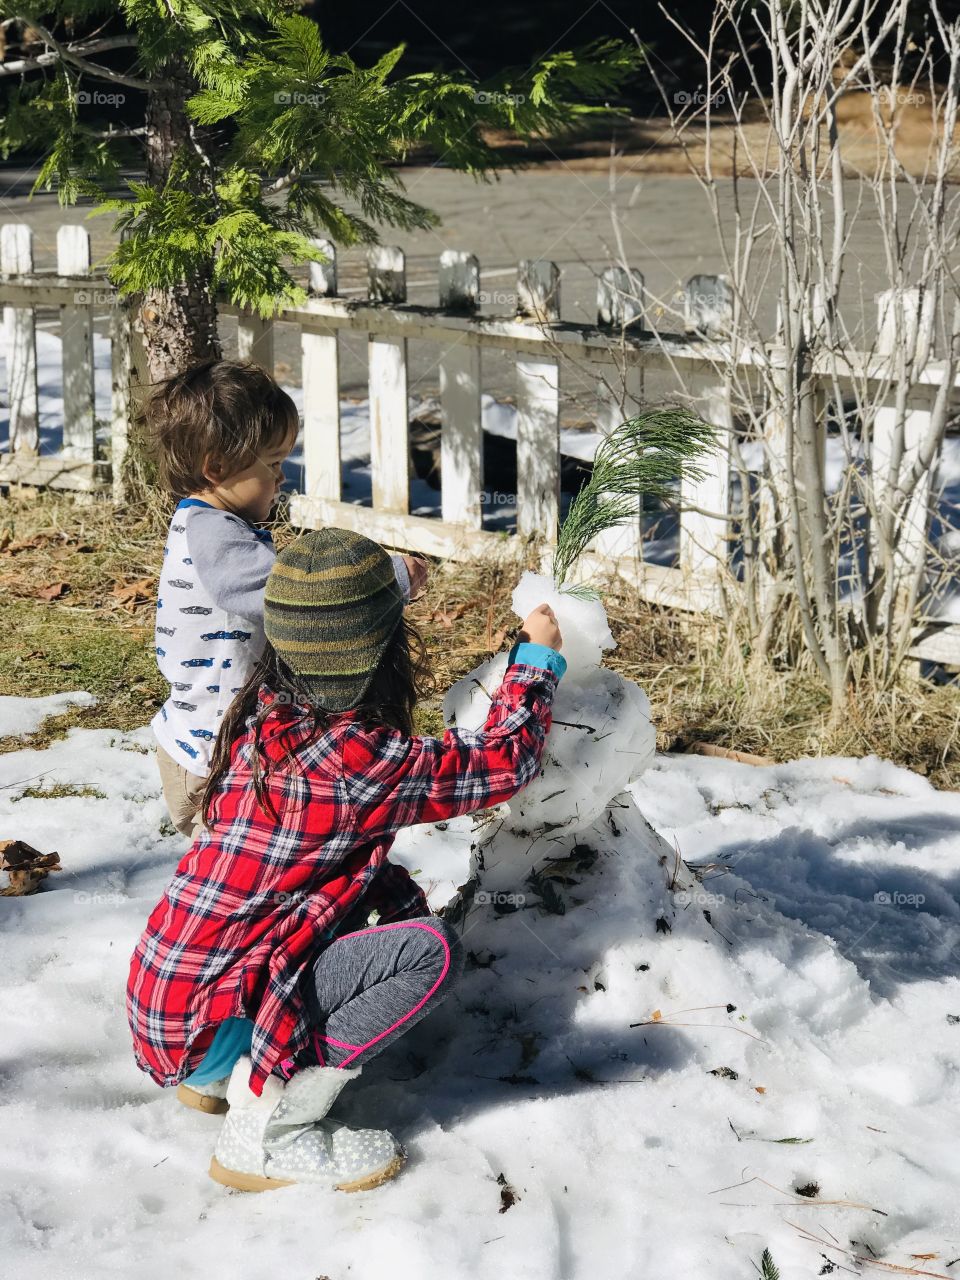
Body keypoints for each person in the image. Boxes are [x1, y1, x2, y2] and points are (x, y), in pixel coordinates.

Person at [127, 527, 565, 1193]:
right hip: (211, 1016)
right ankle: (269, 1132)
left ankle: (217, 1078)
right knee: (426, 952)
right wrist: (534, 661)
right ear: (385, 651)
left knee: (381, 899)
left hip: (166, 1003)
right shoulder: (359, 761)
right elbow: (504, 763)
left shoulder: (266, 716)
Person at [144, 359, 426, 837]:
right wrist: (388, 579)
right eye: (273, 464)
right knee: (238, 878)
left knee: (247, 875)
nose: (281, 478)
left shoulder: (213, 526)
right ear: (217, 467)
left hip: (213, 744)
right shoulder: (214, 534)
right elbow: (294, 596)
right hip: (213, 759)